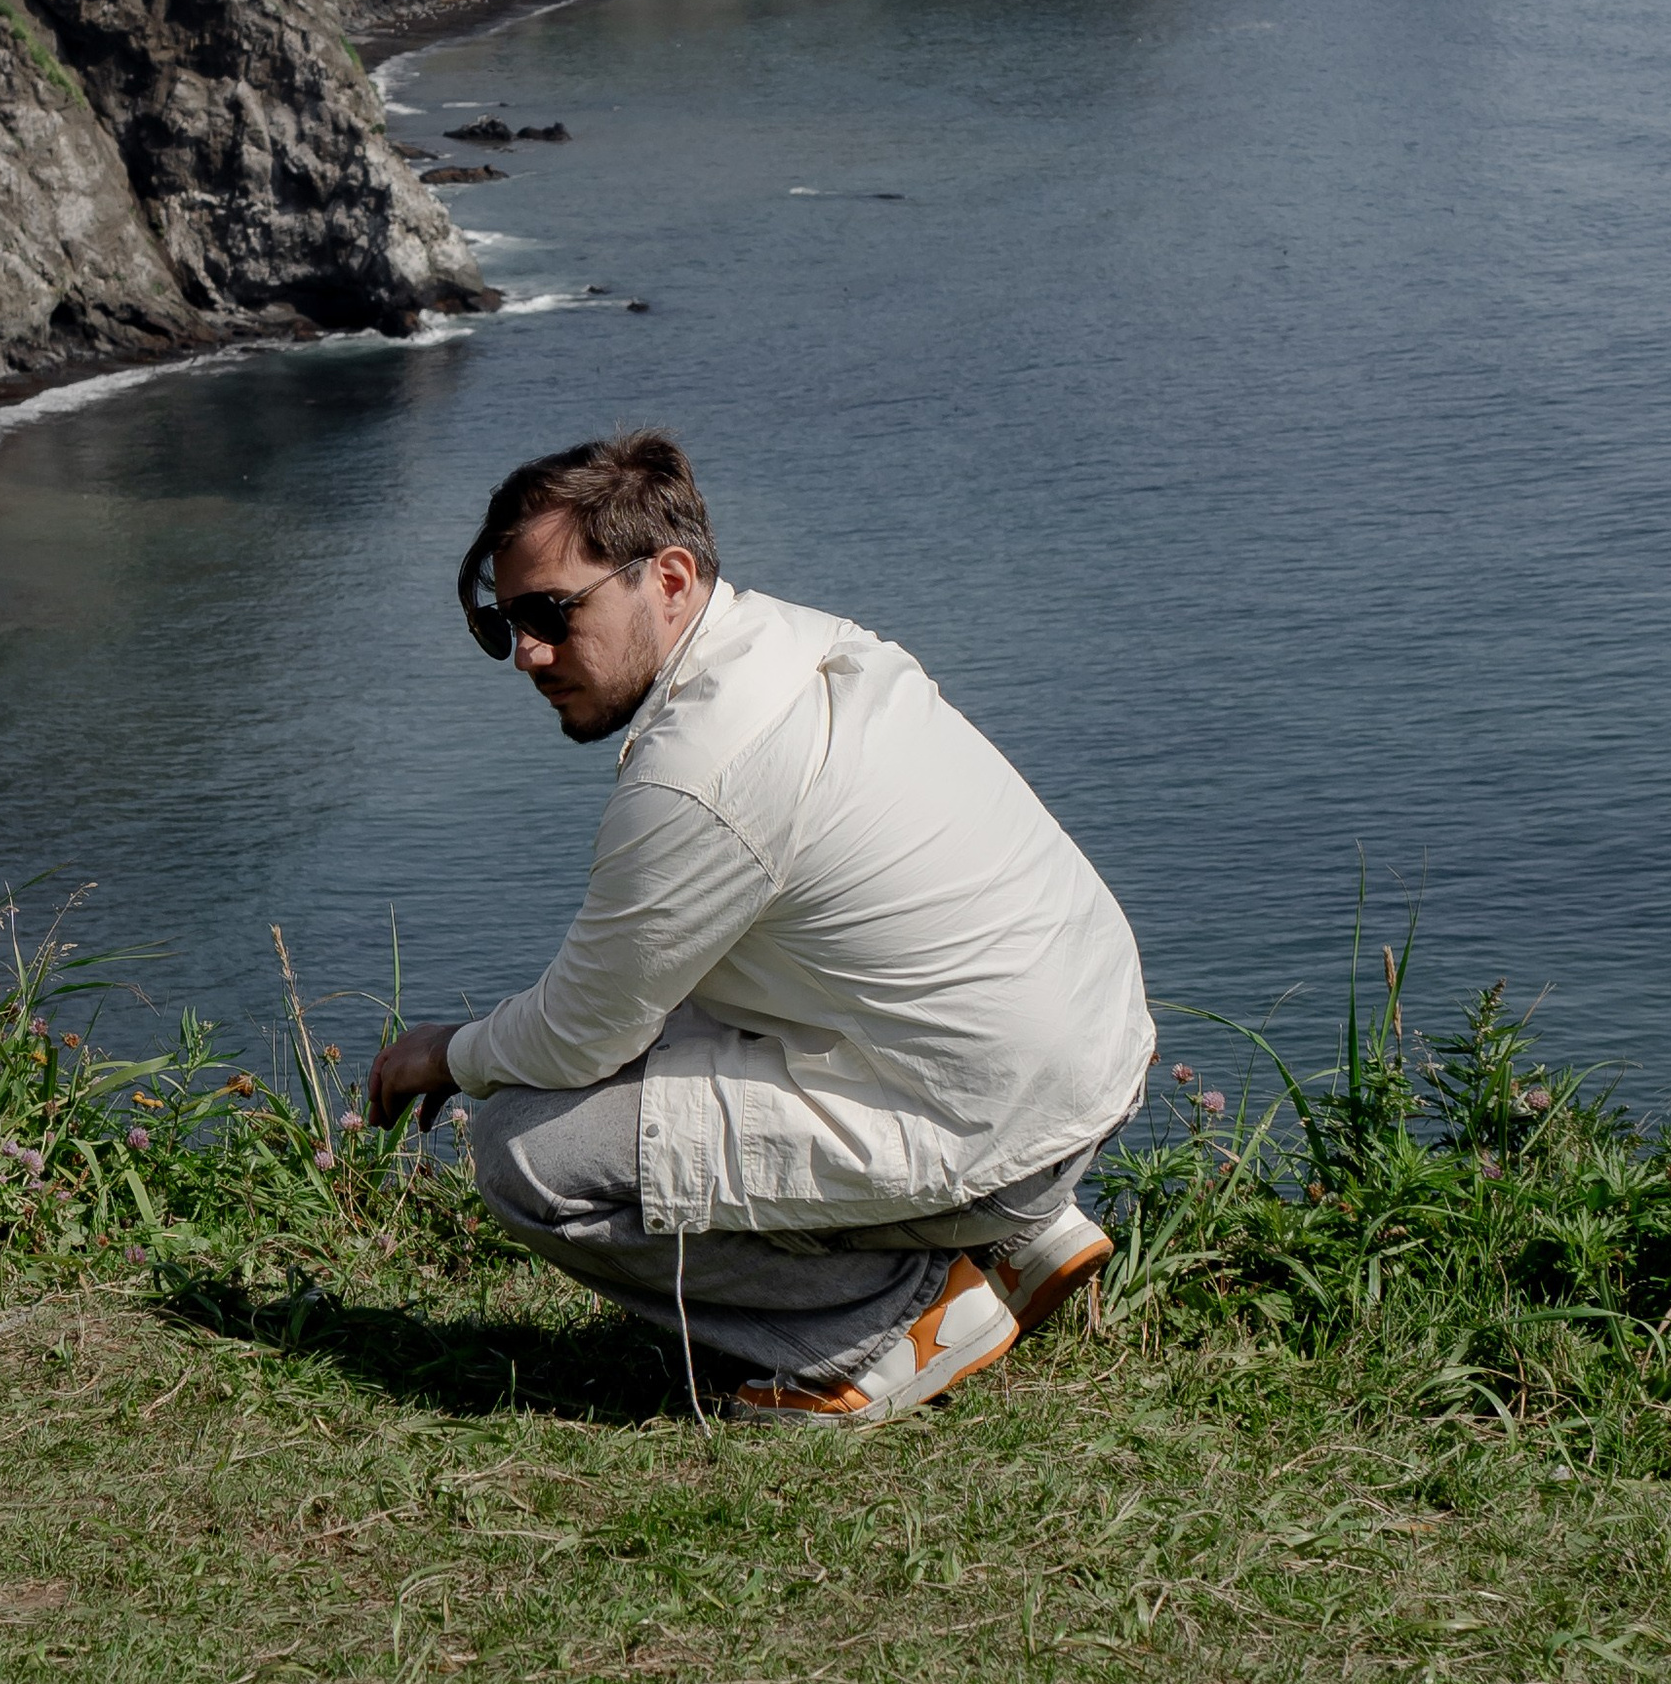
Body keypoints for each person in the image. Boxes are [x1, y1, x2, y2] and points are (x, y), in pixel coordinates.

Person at [370, 431, 1154, 1429]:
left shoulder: (700, 771)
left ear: (669, 577)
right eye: (502, 622)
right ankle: (1018, 1235)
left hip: (1003, 1124)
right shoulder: (794, 642)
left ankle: (888, 1326)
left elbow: (580, 1035)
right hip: (1078, 1058)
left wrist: (452, 1052)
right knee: (671, 1012)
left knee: (524, 1147)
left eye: (550, 614)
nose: (526, 651)